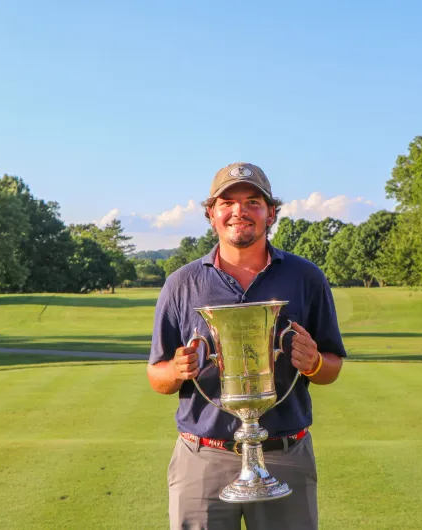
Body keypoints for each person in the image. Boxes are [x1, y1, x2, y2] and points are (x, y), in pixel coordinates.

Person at [147, 162, 347, 530]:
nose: (239, 211)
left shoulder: (306, 277)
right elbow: (156, 377)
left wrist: (315, 363)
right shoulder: (181, 283)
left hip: (285, 454)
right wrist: (176, 370)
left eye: (253, 201)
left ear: (271, 213)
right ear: (211, 213)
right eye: (228, 202)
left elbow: (333, 366)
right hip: (203, 456)